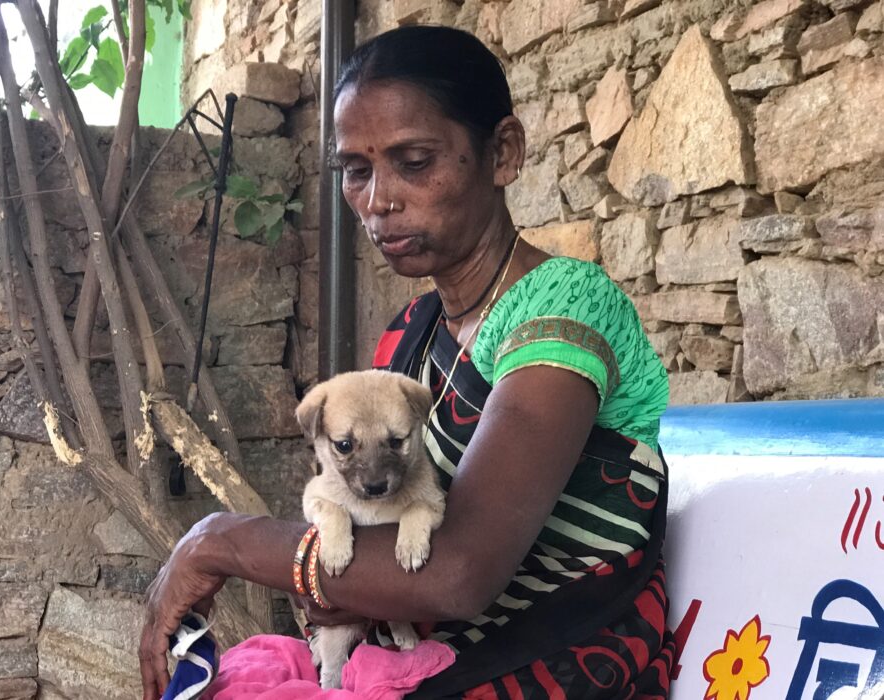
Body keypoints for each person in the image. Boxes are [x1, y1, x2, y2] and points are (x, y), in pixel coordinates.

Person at [140, 25, 674, 699]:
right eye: (356, 172)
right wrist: (341, 582)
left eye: (414, 163)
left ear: (503, 153)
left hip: (553, 673)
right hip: (416, 665)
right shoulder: (410, 339)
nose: (377, 201)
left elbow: (457, 573)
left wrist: (221, 540)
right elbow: (365, 530)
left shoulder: (566, 311)